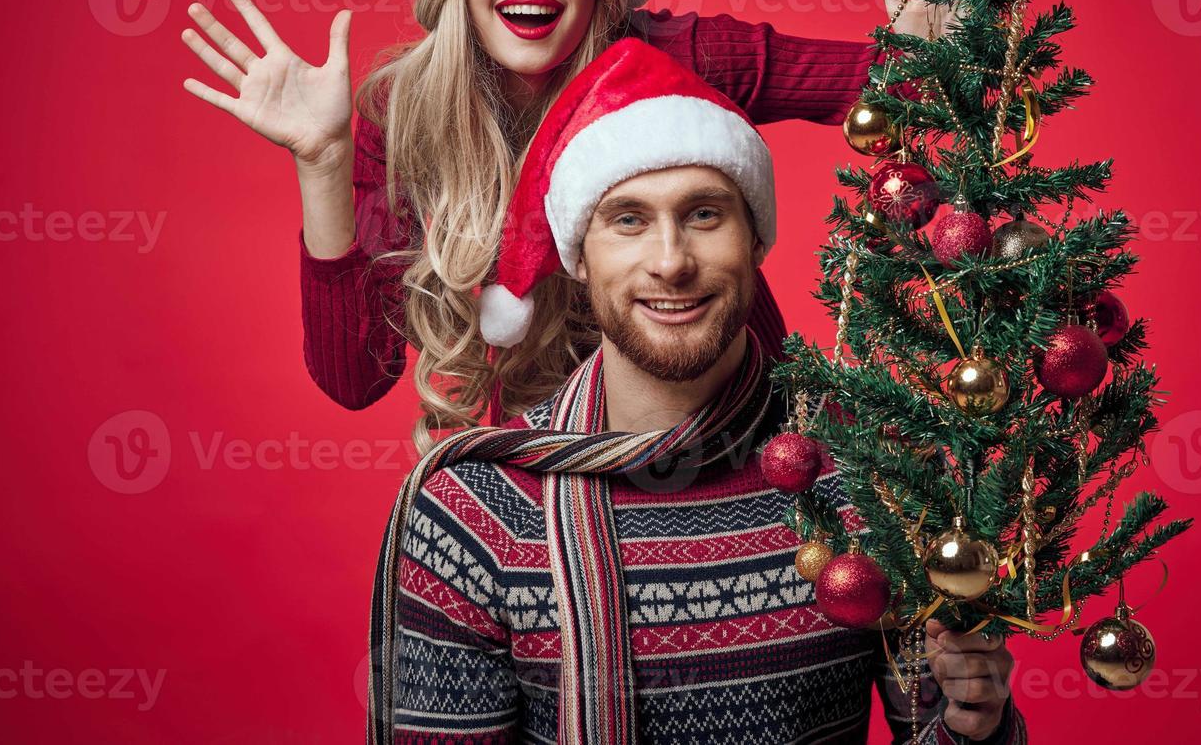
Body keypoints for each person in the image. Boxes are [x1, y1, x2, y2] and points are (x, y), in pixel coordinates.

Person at [178, 0, 954, 449]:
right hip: (562, 471)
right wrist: (322, 162)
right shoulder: (403, 115)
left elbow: (900, 88)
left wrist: (928, 56)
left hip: (751, 437)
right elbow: (353, 379)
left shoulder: (682, 55)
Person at [369, 38, 1025, 744]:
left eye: (705, 215)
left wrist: (974, 723)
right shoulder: (475, 511)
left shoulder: (874, 478)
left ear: (756, 240)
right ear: (579, 258)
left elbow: (944, 729)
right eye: (628, 220)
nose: (671, 261)